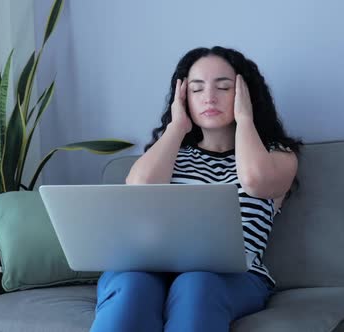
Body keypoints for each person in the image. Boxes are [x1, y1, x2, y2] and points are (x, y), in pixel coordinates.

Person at [90, 46, 302, 332]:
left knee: (196, 283)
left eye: (224, 87)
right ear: (183, 98)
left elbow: (255, 181)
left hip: (231, 277)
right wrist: (177, 127)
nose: (209, 97)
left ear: (245, 94)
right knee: (131, 283)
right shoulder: (171, 153)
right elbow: (139, 188)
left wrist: (246, 121)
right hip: (150, 269)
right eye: (197, 89)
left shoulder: (277, 155)